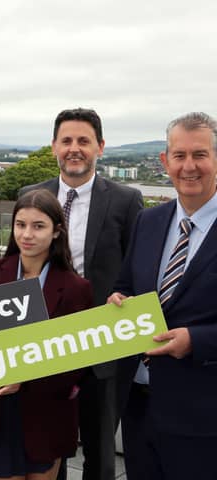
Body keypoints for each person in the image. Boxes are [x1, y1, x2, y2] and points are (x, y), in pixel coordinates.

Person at [19, 108, 143, 480]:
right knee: (48, 445)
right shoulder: (31, 194)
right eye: (67, 141)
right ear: (55, 145)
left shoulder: (126, 200)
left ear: (100, 147)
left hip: (103, 341)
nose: (75, 149)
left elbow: (137, 266)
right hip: (45, 339)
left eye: (84, 141)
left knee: (100, 448)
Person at [108, 112, 217, 480]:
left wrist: (197, 340)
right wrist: (119, 299)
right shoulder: (149, 221)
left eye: (200, 155)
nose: (189, 166)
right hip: (139, 404)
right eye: (179, 155)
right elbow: (126, 285)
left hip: (203, 415)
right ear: (164, 161)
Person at [0, 189, 93, 480]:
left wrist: (24, 379)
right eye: (21, 225)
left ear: (56, 232)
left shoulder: (76, 288)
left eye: (39, 226)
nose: (27, 234)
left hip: (47, 411)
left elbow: (77, 363)